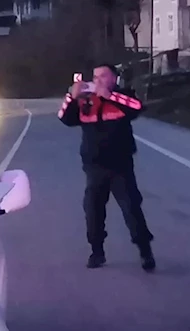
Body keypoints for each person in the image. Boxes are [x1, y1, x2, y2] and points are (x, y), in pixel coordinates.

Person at [58, 63, 156, 271]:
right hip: (94, 166)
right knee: (93, 211)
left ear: (114, 78)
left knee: (131, 208)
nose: (98, 80)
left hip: (120, 165)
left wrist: (109, 96)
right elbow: (65, 118)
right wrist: (71, 97)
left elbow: (137, 107)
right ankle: (97, 252)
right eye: (95, 76)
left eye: (103, 76)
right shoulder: (86, 100)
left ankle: (145, 251)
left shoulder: (123, 96)